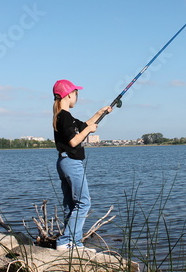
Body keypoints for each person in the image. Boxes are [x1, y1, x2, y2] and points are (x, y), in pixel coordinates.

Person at [52, 79, 112, 250]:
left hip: (64, 162)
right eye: (76, 94)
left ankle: (73, 242)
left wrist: (101, 112)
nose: (77, 97)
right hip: (71, 163)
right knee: (84, 202)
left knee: (71, 204)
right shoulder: (64, 117)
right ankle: (66, 242)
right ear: (69, 94)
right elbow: (73, 141)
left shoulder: (64, 117)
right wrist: (88, 131)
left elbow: (84, 125)